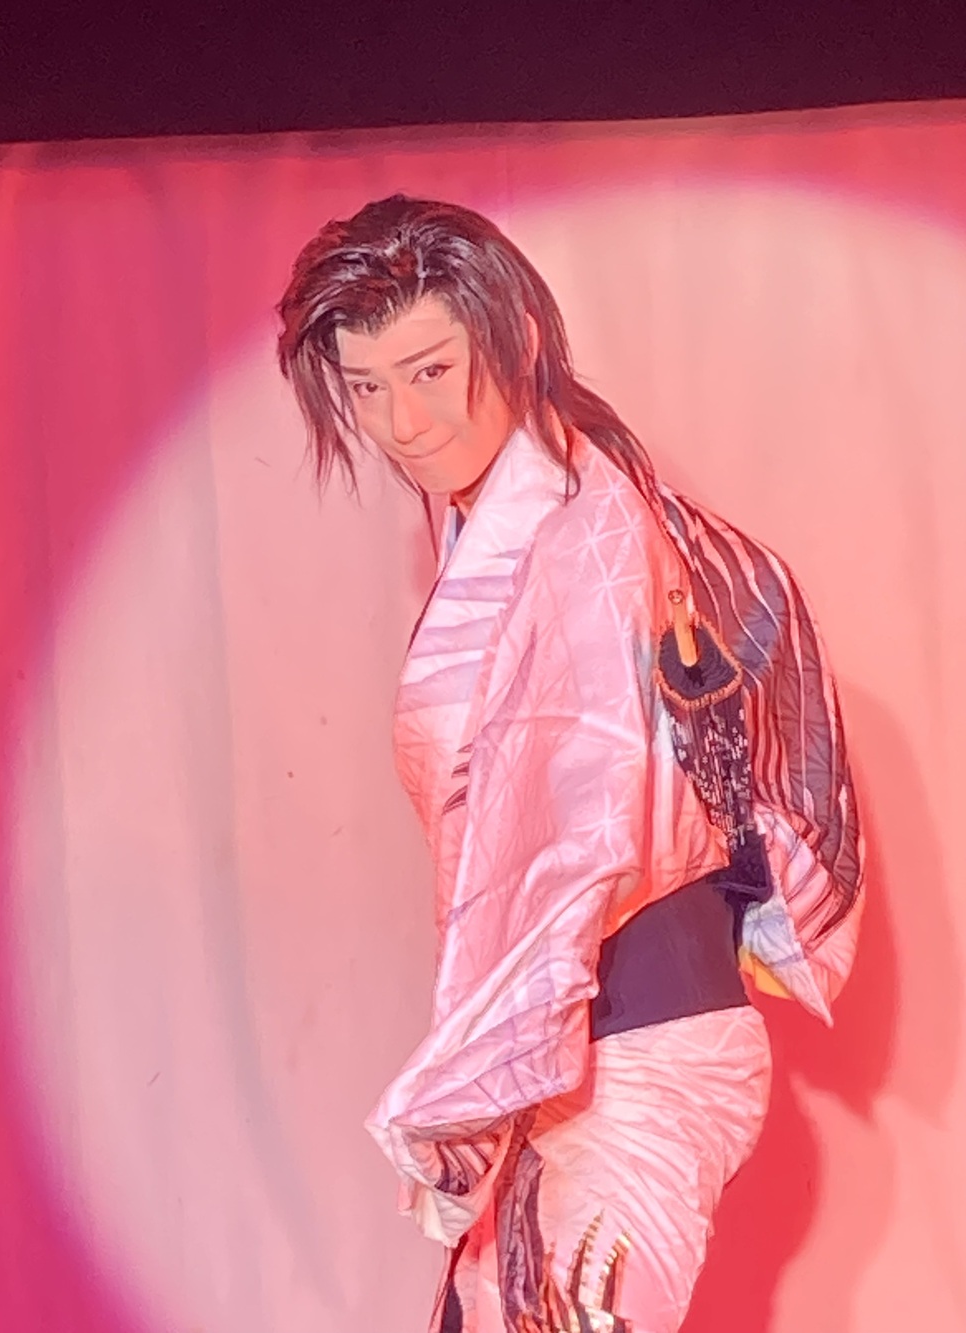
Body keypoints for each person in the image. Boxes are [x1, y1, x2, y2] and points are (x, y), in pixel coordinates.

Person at [276, 196, 864, 1333]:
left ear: (517, 339)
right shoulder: (544, 510)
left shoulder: (585, 543)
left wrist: (461, 1100)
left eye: (431, 370)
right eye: (368, 387)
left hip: (634, 1058)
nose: (404, 422)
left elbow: (572, 841)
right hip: (586, 1052)